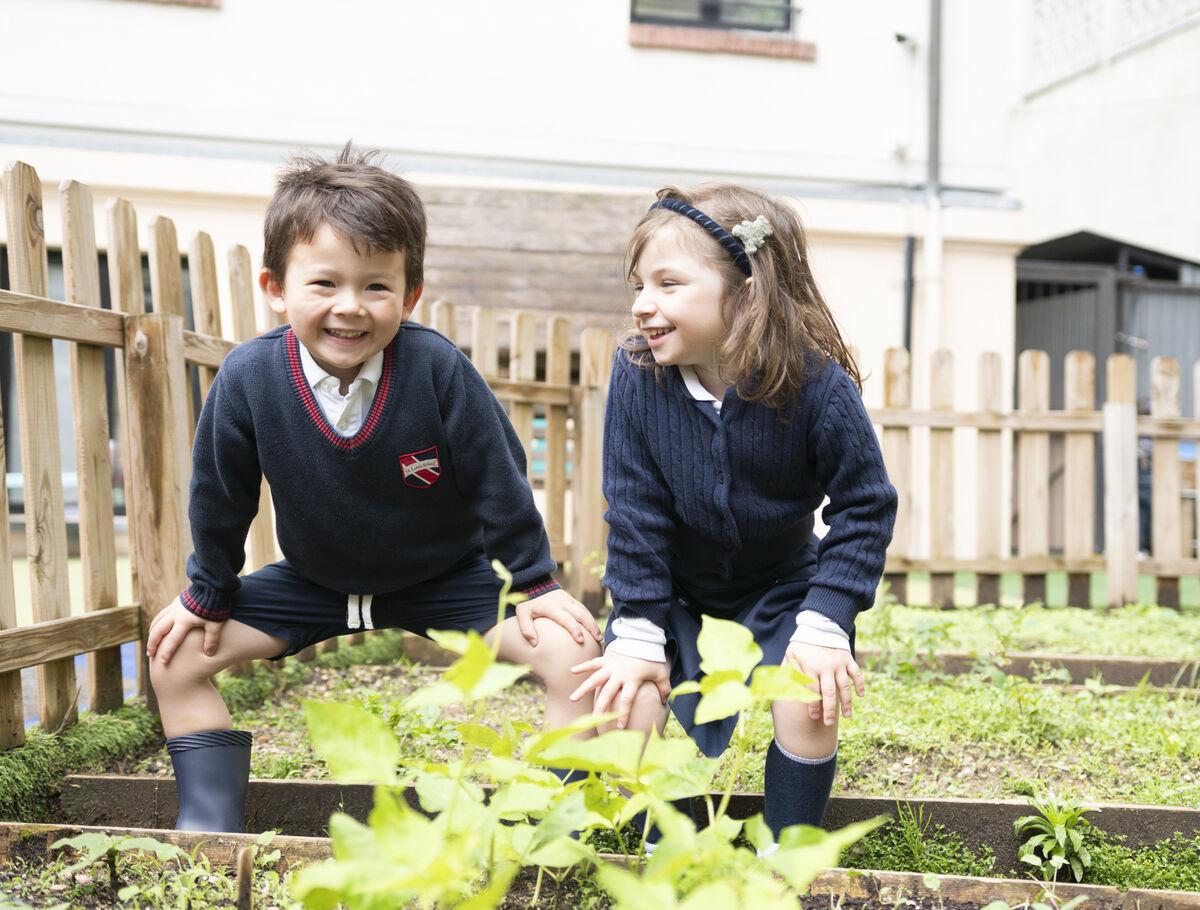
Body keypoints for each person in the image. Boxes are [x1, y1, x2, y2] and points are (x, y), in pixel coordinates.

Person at [146, 145, 601, 833]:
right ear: (276, 287)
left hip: (442, 579)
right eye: (324, 284)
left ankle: (562, 825)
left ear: (410, 294)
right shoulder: (249, 379)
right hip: (313, 581)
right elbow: (220, 495)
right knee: (174, 656)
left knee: (573, 656)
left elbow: (499, 480)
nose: (349, 308)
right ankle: (209, 826)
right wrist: (207, 591)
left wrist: (538, 585)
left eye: (376, 286)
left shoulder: (436, 370)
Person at [570, 185, 896, 844]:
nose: (643, 304)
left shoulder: (814, 386)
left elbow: (865, 504)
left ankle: (788, 847)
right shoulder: (640, 376)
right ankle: (654, 841)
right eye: (639, 285)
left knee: (809, 693)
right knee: (628, 697)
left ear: (748, 292)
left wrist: (828, 618)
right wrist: (636, 627)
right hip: (675, 594)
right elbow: (633, 508)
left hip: (781, 588)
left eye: (668, 283)